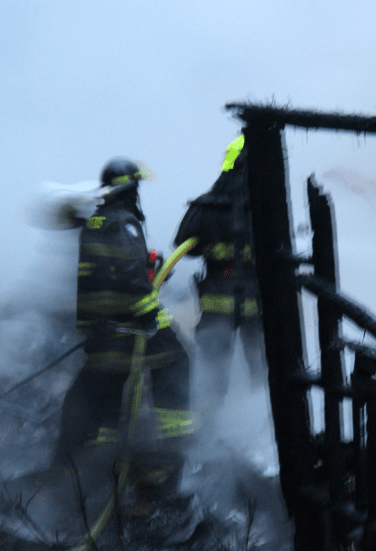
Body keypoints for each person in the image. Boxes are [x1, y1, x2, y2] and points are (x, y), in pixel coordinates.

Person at [53, 157, 195, 500]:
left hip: (103, 330)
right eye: (136, 188)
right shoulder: (124, 223)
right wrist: (148, 319)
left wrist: (149, 269)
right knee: (176, 364)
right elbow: (130, 279)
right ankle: (169, 464)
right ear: (129, 189)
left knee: (103, 393)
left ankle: (96, 467)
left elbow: (109, 274)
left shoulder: (97, 221)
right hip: (131, 324)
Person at [173, 135, 266, 414]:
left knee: (213, 375)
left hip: (217, 299)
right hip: (254, 305)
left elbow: (184, 245)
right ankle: (262, 430)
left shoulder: (206, 205)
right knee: (260, 373)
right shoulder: (265, 208)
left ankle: (209, 431)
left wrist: (216, 255)